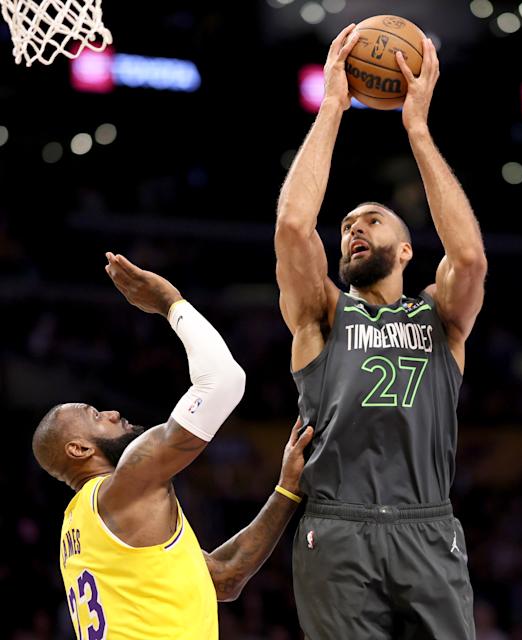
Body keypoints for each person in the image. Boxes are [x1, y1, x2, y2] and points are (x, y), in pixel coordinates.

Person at [274, 22, 486, 639]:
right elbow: (292, 226)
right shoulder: (322, 314)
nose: (353, 228)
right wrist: (333, 107)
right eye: (346, 225)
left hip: (427, 523)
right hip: (337, 525)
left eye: (371, 220)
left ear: (406, 250)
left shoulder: (439, 318)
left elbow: (470, 258)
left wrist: (417, 129)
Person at [34, 253, 315, 639]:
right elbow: (223, 381)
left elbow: (223, 578)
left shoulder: (79, 527)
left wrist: (287, 489)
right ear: (79, 450)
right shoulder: (126, 485)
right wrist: (170, 303)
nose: (114, 413)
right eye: (96, 415)